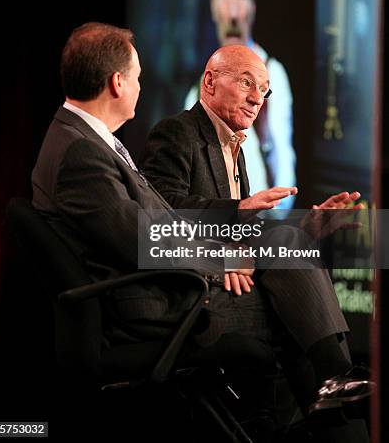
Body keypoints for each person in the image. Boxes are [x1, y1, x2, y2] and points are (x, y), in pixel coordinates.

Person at [141, 44, 372, 439]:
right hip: (196, 294)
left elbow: (243, 237)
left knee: (291, 271)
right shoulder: (177, 133)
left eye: (264, 90)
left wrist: (309, 230)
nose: (256, 98)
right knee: (296, 314)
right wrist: (240, 213)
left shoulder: (237, 148)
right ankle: (334, 382)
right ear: (210, 82)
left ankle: (324, 403)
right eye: (247, 83)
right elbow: (165, 217)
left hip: (238, 284)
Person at [184, 0, 296, 210]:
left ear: (252, 3)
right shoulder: (194, 93)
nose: (233, 11)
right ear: (212, 1)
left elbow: (285, 200)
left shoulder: (275, 76)